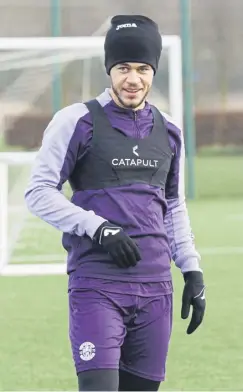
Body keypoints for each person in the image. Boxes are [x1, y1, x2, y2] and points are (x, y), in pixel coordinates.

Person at [25, 14, 206, 392]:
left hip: (156, 287)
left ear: (153, 71)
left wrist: (191, 269)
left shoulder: (169, 129)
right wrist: (98, 227)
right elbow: (39, 191)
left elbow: (173, 205)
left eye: (142, 68)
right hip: (98, 286)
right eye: (123, 67)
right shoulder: (76, 121)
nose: (133, 79)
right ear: (109, 69)